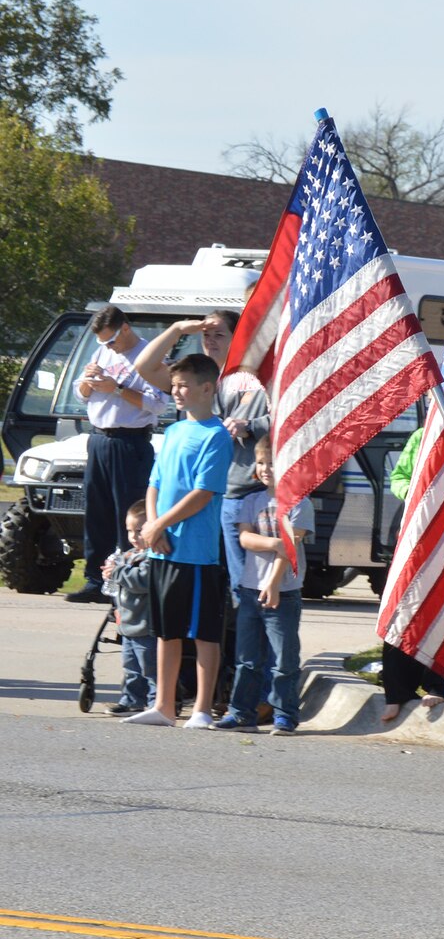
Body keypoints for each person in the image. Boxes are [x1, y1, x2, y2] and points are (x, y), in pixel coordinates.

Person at [124, 353, 232, 729]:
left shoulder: (216, 436)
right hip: (162, 548)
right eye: (174, 386)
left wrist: (161, 526)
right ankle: (163, 705)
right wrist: (153, 526)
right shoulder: (171, 432)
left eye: (184, 385)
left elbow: (203, 492)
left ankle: (201, 709)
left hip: (196, 552)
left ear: (207, 387)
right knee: (166, 631)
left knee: (202, 633)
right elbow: (155, 482)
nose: (176, 392)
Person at [133, 312, 268, 590]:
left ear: (238, 338)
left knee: (242, 586)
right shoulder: (192, 378)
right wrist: (177, 329)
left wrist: (251, 426)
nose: (210, 341)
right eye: (206, 334)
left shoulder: (259, 377)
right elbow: (144, 367)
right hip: (192, 503)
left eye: (219, 334)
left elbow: (290, 417)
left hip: (242, 494)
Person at [71, 305, 170, 601]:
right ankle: (94, 579)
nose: (107, 347)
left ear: (124, 328)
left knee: (127, 514)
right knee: (97, 511)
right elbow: (80, 392)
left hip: (130, 441)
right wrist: (88, 383)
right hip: (99, 438)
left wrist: (116, 388)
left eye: (111, 340)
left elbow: (159, 404)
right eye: (102, 342)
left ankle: (129, 578)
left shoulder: (149, 357)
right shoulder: (103, 352)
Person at [216, 436, 313, 734]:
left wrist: (272, 583)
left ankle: (285, 714)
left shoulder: (299, 503)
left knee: (283, 659)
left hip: (282, 592)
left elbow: (291, 548)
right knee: (247, 658)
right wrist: (274, 542)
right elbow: (245, 538)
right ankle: (241, 712)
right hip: (249, 588)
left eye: (273, 462)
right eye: (261, 462)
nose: (266, 468)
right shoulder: (250, 501)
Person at [382, 423, 444, 721]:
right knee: (399, 611)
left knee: (440, 611)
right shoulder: (420, 436)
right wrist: (413, 492)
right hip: (412, 536)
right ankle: (396, 692)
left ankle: (436, 684)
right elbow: (398, 477)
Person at [100, 499, 156, 716]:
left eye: (139, 530)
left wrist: (117, 572)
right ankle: (132, 699)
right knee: (130, 667)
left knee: (150, 668)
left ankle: (156, 701)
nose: (133, 536)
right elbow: (119, 586)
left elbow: (142, 581)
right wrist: (111, 573)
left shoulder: (152, 557)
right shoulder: (126, 556)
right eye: (129, 530)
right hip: (128, 624)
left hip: (145, 624)